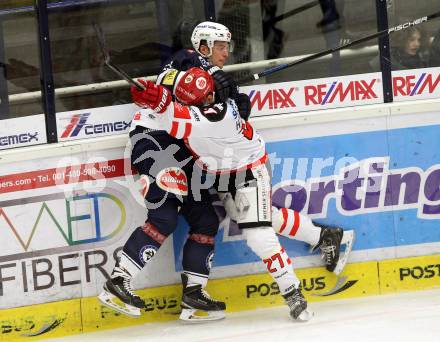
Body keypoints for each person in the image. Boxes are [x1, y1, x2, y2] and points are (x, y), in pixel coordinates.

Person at [131, 66, 314, 321]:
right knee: (260, 217)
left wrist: (160, 101)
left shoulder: (218, 116)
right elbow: (171, 110)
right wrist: (149, 96)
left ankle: (292, 292)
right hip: (218, 173)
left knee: (258, 235)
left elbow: (176, 117)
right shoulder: (205, 104)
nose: (186, 105)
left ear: (207, 100)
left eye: (192, 102)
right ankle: (322, 235)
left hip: (248, 173)